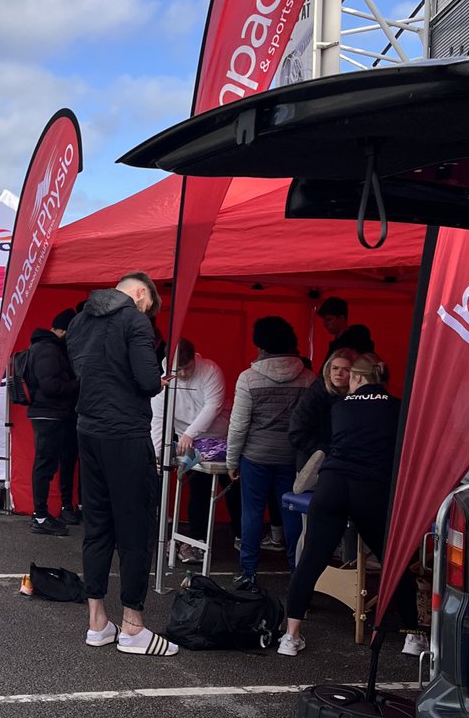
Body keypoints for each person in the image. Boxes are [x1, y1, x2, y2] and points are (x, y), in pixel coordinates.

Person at [278, 353, 424, 657]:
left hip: (331, 486)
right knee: (393, 559)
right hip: (370, 489)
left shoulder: (341, 407)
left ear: (357, 378)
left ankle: (290, 637)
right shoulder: (398, 408)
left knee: (311, 560)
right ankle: (413, 636)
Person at [65, 272, 175, 656]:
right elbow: (147, 380)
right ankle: (133, 626)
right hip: (125, 433)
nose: (147, 312)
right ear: (141, 294)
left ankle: (97, 622)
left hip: (88, 429)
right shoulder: (133, 320)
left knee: (97, 525)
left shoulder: (80, 320)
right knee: (134, 527)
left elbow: (79, 371)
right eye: (148, 307)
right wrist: (159, 379)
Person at [226, 316, 313, 590]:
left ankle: (248, 573)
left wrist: (231, 459)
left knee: (251, 513)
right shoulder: (309, 379)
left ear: (260, 344)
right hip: (292, 458)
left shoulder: (248, 379)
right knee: (293, 516)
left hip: (255, 457)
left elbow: (238, 425)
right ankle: (297, 572)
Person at [151, 339, 241, 563]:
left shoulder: (210, 370)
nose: (182, 373)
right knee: (199, 491)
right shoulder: (163, 380)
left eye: (187, 367)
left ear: (194, 359)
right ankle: (197, 540)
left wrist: (190, 433)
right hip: (189, 443)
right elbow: (158, 420)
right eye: (177, 369)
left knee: (233, 491)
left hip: (220, 437)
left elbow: (214, 406)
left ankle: (241, 535)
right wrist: (156, 455)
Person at [27, 307, 80, 536]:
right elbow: (51, 385)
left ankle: (41, 514)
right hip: (49, 414)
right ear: (62, 330)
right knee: (44, 466)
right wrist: (78, 384)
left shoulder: (43, 346)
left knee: (46, 465)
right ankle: (40, 516)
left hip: (48, 413)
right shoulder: (48, 349)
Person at [289, 348, 356, 471]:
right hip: (312, 465)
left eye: (346, 370)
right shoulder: (314, 395)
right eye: (335, 368)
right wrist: (327, 451)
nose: (339, 373)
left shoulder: (358, 399)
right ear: (328, 371)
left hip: (346, 465)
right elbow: (296, 432)